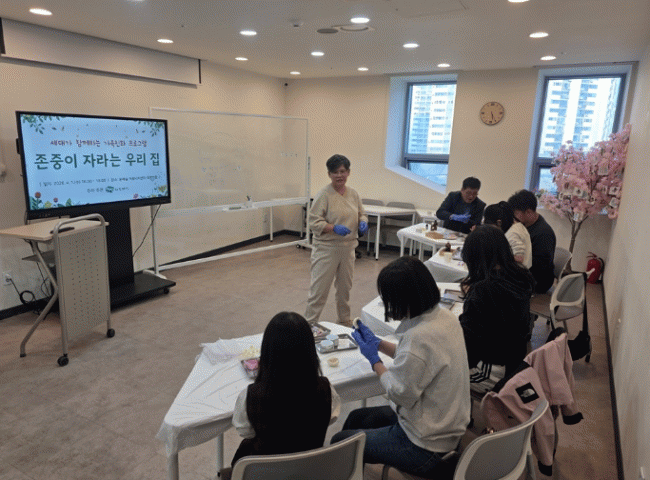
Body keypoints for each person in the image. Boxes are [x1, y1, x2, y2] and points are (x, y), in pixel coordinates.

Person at [331, 257, 470, 479]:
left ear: (403, 299)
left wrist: (375, 361)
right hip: (442, 426)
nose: (387, 305)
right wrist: (378, 344)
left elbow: (399, 393)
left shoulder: (419, 337)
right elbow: (419, 362)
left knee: (341, 442)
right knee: (357, 418)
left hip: (424, 445)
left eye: (388, 299)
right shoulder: (444, 317)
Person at [229, 312, 341, 470]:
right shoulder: (325, 389)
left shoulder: (251, 396)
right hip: (308, 470)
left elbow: (245, 431)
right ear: (310, 351)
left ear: (267, 353)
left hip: (266, 472)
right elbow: (331, 418)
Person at [459, 226, 536, 375]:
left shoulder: (484, 290)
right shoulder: (521, 276)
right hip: (514, 361)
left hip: (490, 368)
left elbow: (468, 346)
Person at [306, 154, 368, 327]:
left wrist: (363, 221)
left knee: (344, 289)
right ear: (329, 174)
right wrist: (333, 227)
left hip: (348, 248)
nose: (339, 175)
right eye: (335, 172)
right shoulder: (324, 195)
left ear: (348, 172)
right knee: (319, 290)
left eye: (342, 171)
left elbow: (362, 213)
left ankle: (344, 319)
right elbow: (313, 221)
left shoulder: (353, 194)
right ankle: (309, 324)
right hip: (327, 249)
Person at [507, 190, 556, 293]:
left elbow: (540, 266)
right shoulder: (526, 225)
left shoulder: (543, 233)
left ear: (528, 212)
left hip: (538, 280)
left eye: (516, 213)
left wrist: (512, 258)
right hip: (526, 272)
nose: (514, 217)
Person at [483, 201, 532, 268]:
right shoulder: (514, 225)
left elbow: (519, 258)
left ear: (499, 222)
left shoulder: (513, 233)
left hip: (516, 271)